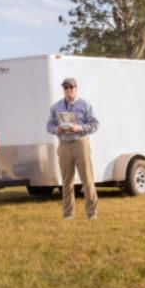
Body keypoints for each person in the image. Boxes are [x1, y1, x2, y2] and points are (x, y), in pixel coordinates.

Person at [46, 76, 99, 220]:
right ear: (63, 89)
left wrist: (78, 128)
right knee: (66, 181)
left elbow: (95, 124)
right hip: (64, 145)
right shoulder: (55, 107)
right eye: (66, 87)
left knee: (87, 179)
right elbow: (49, 125)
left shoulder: (85, 104)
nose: (68, 90)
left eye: (71, 87)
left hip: (80, 143)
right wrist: (57, 129)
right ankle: (68, 214)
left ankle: (91, 213)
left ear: (76, 88)